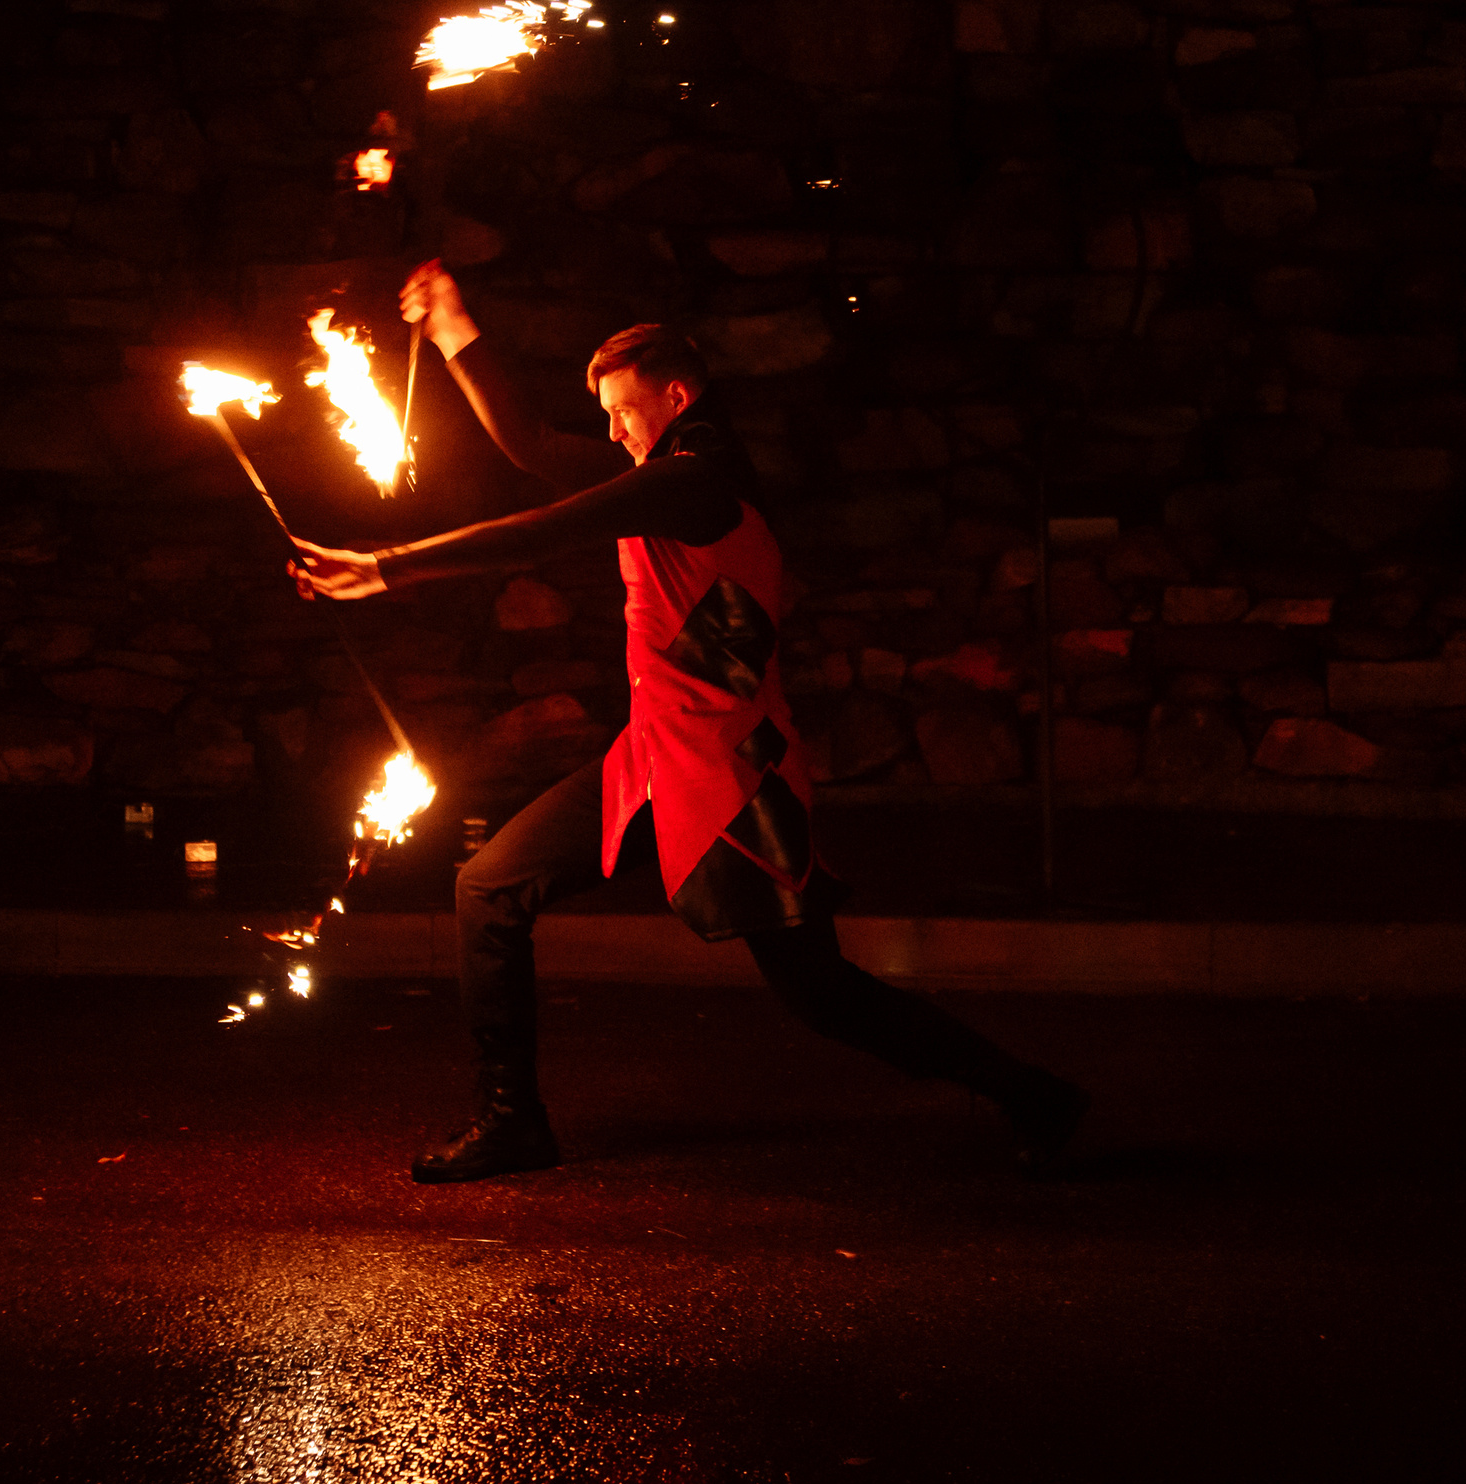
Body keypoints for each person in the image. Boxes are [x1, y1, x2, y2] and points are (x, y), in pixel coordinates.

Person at [292, 261, 1087, 1185]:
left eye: (623, 409)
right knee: (490, 885)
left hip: (731, 773)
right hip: (655, 757)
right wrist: (455, 327)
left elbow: (541, 527)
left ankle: (1035, 1094)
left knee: (822, 995)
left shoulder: (699, 478)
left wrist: (385, 565)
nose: (611, 429)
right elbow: (531, 443)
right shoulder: (659, 470)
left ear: (675, 394)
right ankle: (512, 1119)